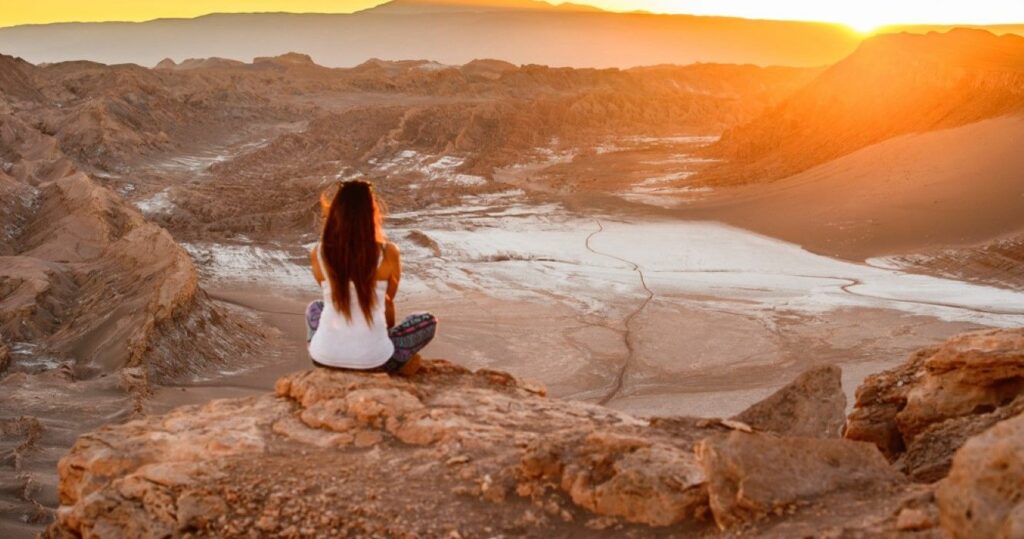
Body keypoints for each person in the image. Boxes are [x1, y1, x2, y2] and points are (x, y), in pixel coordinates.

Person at [306, 180, 436, 376]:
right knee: (427, 321)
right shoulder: (388, 252)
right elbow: (387, 306)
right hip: (376, 362)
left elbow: (334, 297)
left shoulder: (318, 253)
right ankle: (389, 359)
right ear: (372, 214)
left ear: (335, 214)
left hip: (323, 359)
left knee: (314, 308)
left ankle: (335, 352)